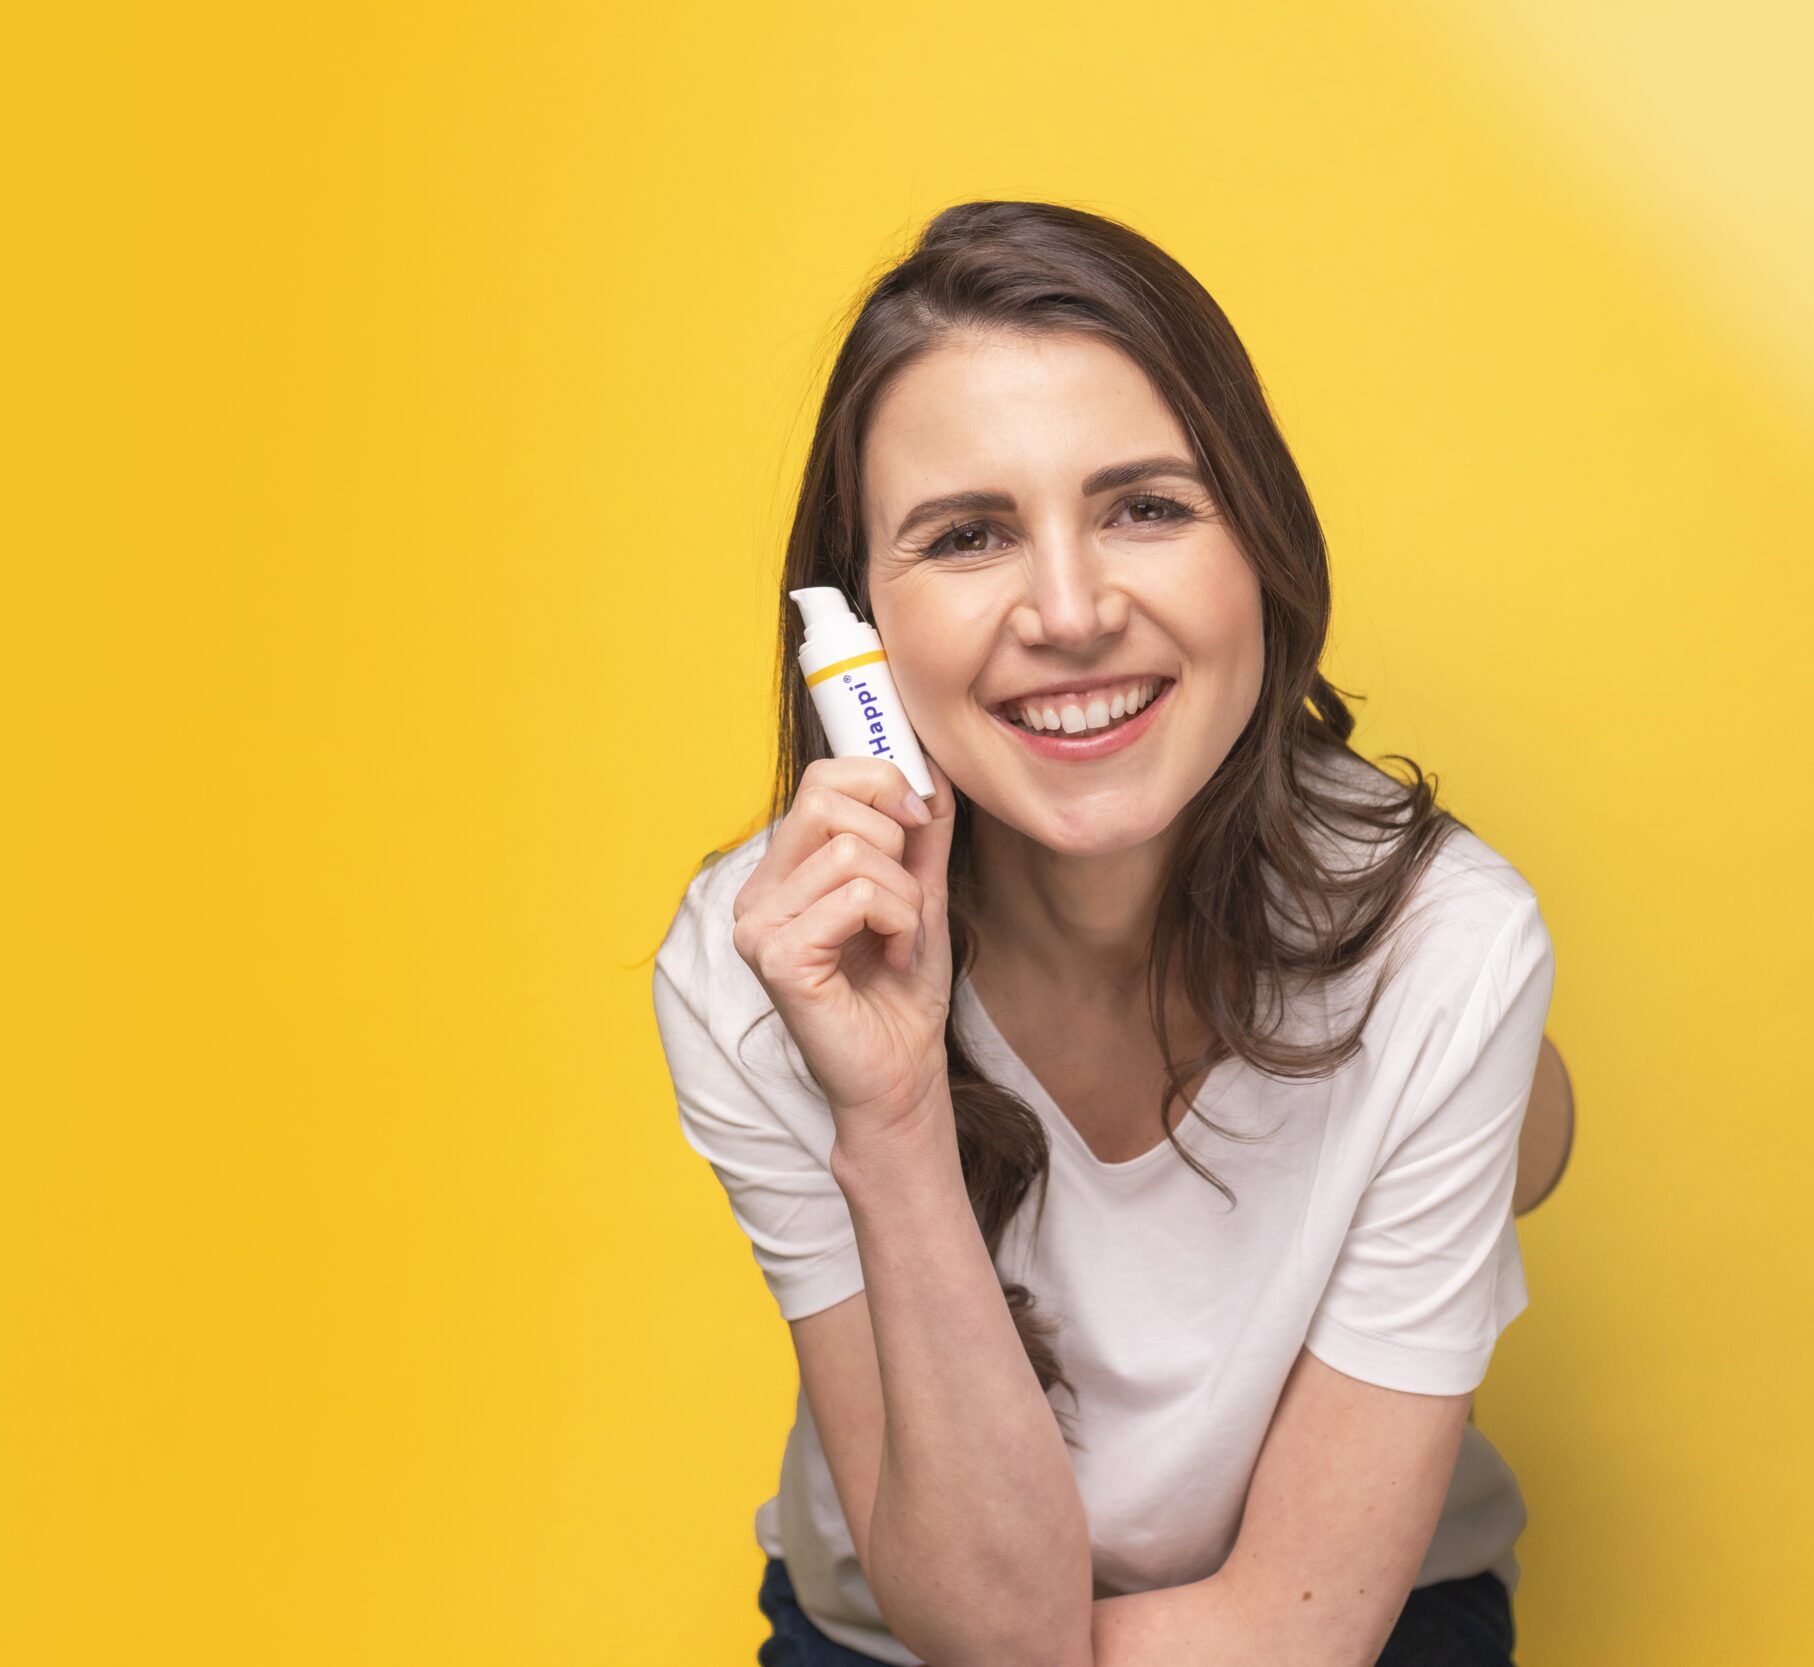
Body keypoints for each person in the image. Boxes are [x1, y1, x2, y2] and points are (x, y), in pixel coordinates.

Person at [651, 200, 1554, 1666]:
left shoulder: (1451, 948)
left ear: (1258, 545)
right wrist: (886, 1119)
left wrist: (1487, 1081)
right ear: (857, 625)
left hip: (1342, 1615)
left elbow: (1290, 1632)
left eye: (1145, 505)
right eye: (968, 535)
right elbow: (993, 1640)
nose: (1068, 612)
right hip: (915, 1631)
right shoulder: (759, 969)